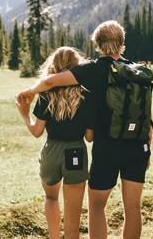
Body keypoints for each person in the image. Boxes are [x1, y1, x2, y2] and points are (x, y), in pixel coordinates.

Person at [16, 20, 153, 239]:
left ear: (97, 44)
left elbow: (51, 82)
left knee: (97, 206)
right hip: (137, 146)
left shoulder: (94, 69)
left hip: (107, 146)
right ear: (122, 43)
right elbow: (146, 115)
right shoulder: (136, 72)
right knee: (133, 208)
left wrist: (30, 92)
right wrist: (147, 148)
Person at [16, 46, 95, 239]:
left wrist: (25, 116)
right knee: (73, 217)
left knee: (51, 198)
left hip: (51, 150)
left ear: (54, 65)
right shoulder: (87, 94)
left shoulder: (46, 94)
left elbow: (37, 132)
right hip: (76, 151)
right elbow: (89, 137)